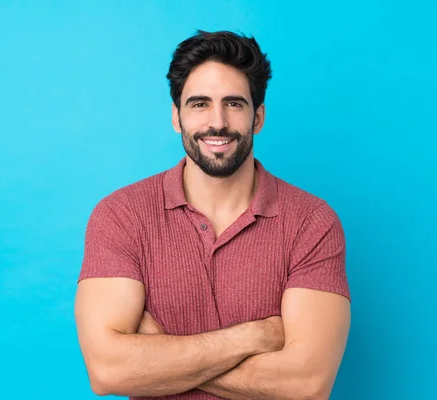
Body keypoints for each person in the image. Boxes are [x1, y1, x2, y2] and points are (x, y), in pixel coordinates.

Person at [74, 30, 351, 399]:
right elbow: (108, 371)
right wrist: (251, 337)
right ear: (177, 117)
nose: (217, 122)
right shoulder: (121, 215)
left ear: (258, 117)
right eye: (199, 104)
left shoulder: (312, 222)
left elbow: (306, 384)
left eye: (234, 104)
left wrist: (162, 356)